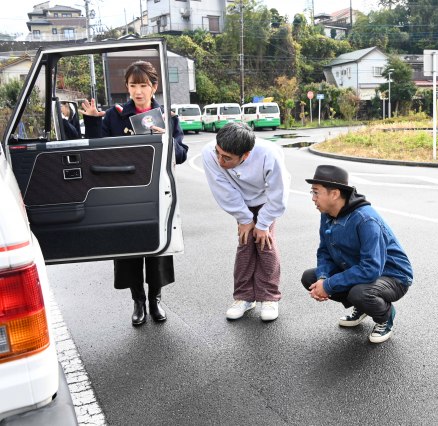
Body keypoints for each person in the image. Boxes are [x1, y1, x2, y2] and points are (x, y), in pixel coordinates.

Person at [80, 60, 188, 326]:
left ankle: (155, 300)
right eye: (132, 85)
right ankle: (138, 301)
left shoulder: (168, 117)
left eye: (143, 85)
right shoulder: (114, 115)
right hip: (123, 191)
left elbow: (183, 154)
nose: (138, 91)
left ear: (154, 86)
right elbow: (98, 149)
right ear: (127, 88)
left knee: (156, 248)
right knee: (129, 247)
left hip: (157, 190)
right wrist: (93, 121)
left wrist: (167, 139)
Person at [302, 165, 413, 344]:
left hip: (393, 276)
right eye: (312, 193)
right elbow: (324, 251)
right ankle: (363, 308)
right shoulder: (328, 213)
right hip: (358, 269)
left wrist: (329, 285)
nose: (313, 198)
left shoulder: (365, 219)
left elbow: (371, 268)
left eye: (316, 192)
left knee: (359, 293)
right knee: (310, 278)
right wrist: (323, 278)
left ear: (335, 194)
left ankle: (385, 316)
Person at [202, 122, 290, 321]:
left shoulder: (269, 153)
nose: (220, 160)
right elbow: (222, 188)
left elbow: (279, 192)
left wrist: (263, 223)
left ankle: (269, 298)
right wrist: (244, 218)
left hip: (266, 200)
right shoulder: (209, 152)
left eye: (227, 158)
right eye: (218, 153)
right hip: (240, 201)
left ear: (246, 155)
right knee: (245, 243)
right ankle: (244, 297)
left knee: (265, 243)